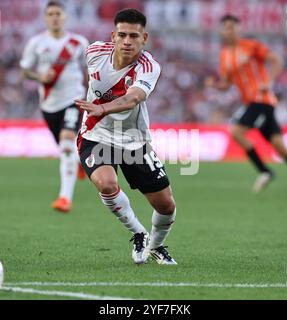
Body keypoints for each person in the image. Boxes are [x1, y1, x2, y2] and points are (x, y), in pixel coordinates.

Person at [75, 8, 177, 265]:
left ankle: (156, 246)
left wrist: (102, 107)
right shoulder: (94, 53)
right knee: (107, 185)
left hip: (133, 140)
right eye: (122, 35)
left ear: (145, 38)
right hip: (95, 134)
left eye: (134, 35)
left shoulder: (149, 66)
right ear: (113, 36)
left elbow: (133, 98)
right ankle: (138, 232)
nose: (127, 41)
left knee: (166, 206)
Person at [206, 14, 287, 200]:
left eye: (232, 26)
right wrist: (215, 85)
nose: (229, 31)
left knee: (236, 130)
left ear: (239, 28)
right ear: (221, 31)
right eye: (225, 27)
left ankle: (264, 171)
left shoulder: (251, 46)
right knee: (280, 147)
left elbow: (276, 60)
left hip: (261, 100)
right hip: (254, 103)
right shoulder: (224, 56)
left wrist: (269, 81)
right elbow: (227, 84)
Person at [20, 1, 88, 213]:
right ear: (45, 17)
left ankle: (64, 198)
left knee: (66, 143)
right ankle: (78, 162)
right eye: (50, 14)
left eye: (58, 13)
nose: (54, 17)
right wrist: (40, 76)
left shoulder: (78, 42)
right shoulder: (36, 43)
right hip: (49, 105)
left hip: (73, 100)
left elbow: (91, 69)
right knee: (65, 148)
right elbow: (25, 71)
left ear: (65, 16)